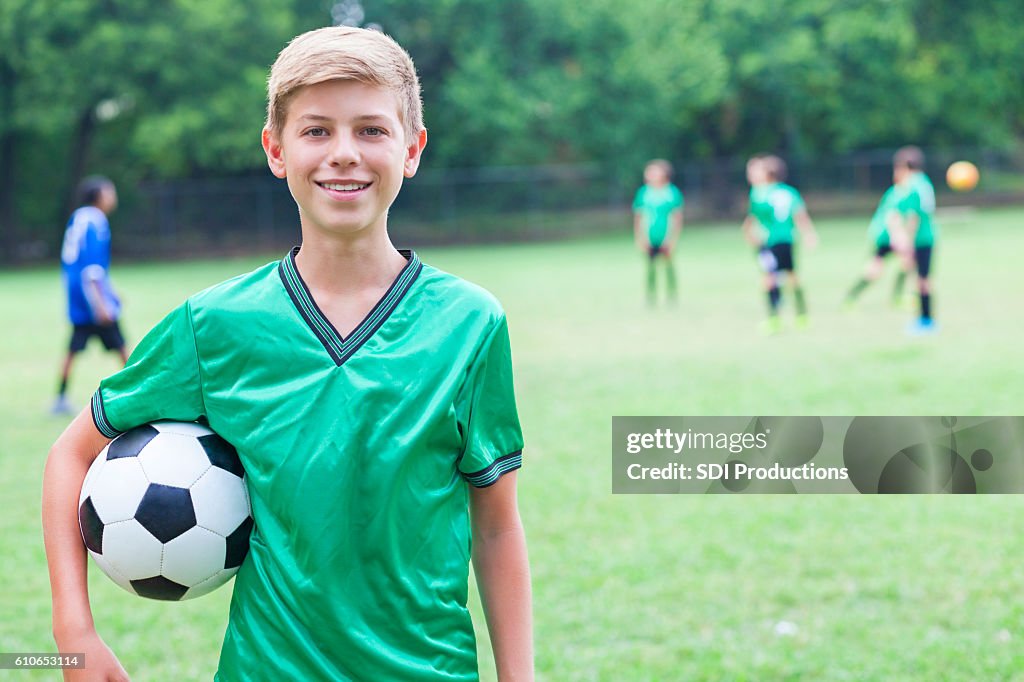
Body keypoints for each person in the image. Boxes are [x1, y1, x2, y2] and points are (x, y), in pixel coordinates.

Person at [43, 26, 533, 682]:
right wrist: (73, 633)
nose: (344, 154)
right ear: (276, 150)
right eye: (316, 131)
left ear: (412, 149)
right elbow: (69, 454)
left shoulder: (470, 324)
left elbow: (497, 527)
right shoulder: (216, 326)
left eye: (371, 130)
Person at [52, 176, 129, 415]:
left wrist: (111, 290)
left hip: (76, 294)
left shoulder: (78, 217)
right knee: (121, 345)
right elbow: (93, 269)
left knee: (74, 347)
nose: (113, 197)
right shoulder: (95, 220)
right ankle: (137, 392)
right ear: (99, 196)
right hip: (92, 297)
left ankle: (60, 398)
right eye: (110, 192)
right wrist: (102, 303)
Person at [741, 155, 818, 334]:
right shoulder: (790, 192)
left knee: (768, 278)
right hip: (787, 239)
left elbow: (754, 219)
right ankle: (802, 315)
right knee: (792, 277)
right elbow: (800, 215)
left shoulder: (758, 193)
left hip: (768, 242)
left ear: (767, 173)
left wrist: (747, 233)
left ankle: (774, 319)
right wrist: (809, 234)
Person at [887, 145, 939, 334]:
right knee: (921, 278)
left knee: (922, 280)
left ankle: (926, 320)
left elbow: (913, 216)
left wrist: (906, 240)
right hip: (928, 237)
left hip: (921, 239)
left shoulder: (913, 184)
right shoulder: (924, 181)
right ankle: (924, 318)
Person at [842, 182, 913, 309]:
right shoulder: (898, 193)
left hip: (889, 236)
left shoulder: (904, 192)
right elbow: (892, 217)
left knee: (907, 262)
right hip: (885, 237)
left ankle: (897, 297)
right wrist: (897, 238)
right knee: (875, 270)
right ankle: (850, 297)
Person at [632, 159, 684, 304]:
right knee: (650, 267)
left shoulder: (672, 192)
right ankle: (650, 295)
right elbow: (638, 217)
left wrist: (672, 239)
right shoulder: (643, 193)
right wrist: (640, 238)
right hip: (649, 237)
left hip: (666, 236)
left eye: (654, 171)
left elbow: (677, 218)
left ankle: (672, 295)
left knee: (668, 265)